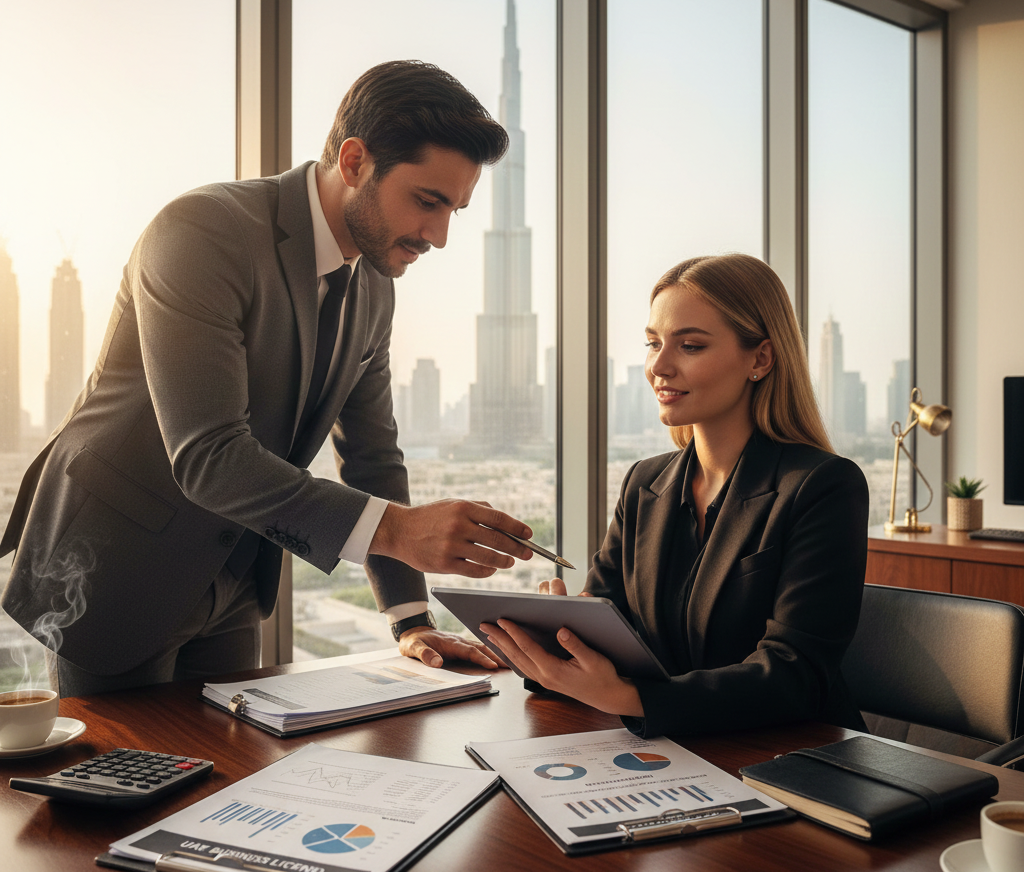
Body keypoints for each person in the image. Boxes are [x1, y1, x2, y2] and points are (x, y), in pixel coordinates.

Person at [0, 60, 534, 697]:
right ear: (356, 160)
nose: (440, 236)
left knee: (226, 781)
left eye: (455, 210)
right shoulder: (202, 232)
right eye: (428, 202)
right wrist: (398, 530)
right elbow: (208, 456)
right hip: (115, 570)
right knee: (125, 787)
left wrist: (409, 620)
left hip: (233, 579)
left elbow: (372, 456)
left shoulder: (375, 289)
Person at [483, 253, 870, 738]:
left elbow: (796, 675)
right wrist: (558, 639)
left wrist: (630, 698)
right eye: (652, 344)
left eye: (689, 345)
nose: (658, 366)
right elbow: (608, 626)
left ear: (761, 358)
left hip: (790, 760)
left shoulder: (823, 486)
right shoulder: (644, 484)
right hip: (669, 752)